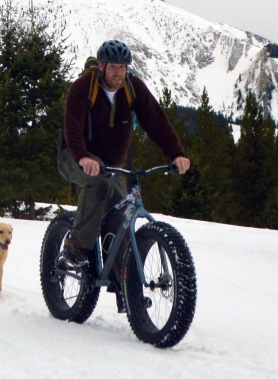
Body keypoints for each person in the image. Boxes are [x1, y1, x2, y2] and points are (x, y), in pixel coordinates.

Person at [58, 40, 191, 264]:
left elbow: (156, 121)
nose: (118, 73)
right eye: (113, 67)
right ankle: (77, 245)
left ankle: (125, 284)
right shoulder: (82, 88)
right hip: (74, 155)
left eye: (123, 67)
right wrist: (83, 157)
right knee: (100, 185)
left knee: (122, 211)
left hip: (114, 163)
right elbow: (72, 128)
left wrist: (176, 153)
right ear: (101, 66)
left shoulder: (132, 88)